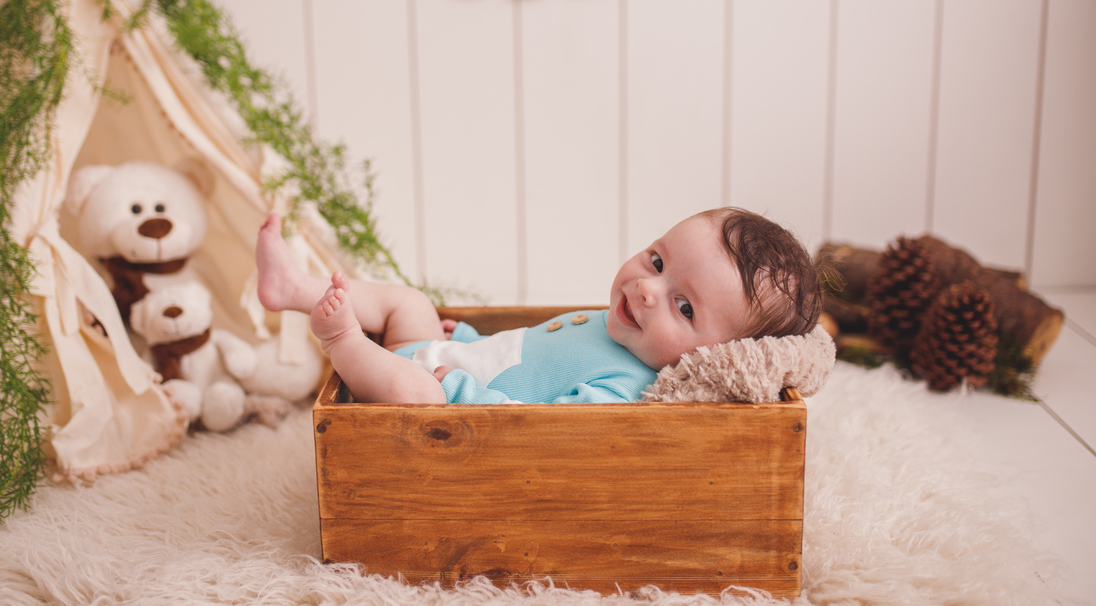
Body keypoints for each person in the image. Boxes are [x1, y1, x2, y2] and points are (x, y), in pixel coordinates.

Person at [255, 207, 822, 404]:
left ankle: (343, 342)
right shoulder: (611, 326)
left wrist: (459, 386)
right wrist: (469, 340)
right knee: (410, 301)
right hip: (449, 354)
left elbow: (530, 429)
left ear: (718, 358)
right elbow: (525, 351)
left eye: (685, 308)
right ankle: (293, 289)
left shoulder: (623, 388)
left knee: (417, 394)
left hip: (430, 395)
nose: (648, 289)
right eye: (656, 262)